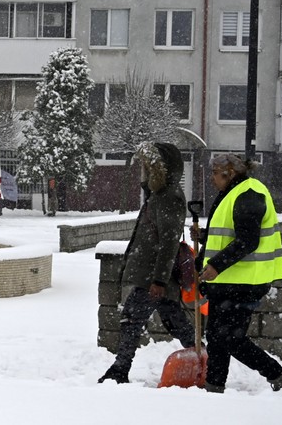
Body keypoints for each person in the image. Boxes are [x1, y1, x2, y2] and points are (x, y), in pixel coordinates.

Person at [198, 154, 282, 393]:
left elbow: (248, 240)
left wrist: (216, 264)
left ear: (230, 173)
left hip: (245, 282)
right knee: (217, 338)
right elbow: (230, 234)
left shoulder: (249, 194)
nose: (212, 177)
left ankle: (280, 376)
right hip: (230, 281)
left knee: (229, 339)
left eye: (215, 172)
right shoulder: (235, 192)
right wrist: (205, 241)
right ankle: (213, 386)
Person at [99, 142, 196, 384]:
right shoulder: (159, 196)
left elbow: (169, 243)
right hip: (152, 276)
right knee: (175, 321)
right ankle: (201, 354)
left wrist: (160, 280)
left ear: (161, 170)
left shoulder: (169, 197)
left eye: (148, 167)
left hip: (152, 278)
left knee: (132, 320)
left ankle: (120, 369)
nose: (143, 171)